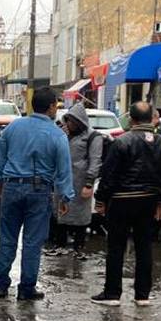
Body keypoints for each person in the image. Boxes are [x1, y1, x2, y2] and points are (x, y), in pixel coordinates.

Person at [0, 86, 75, 301]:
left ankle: (1, 285)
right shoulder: (57, 135)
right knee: (32, 242)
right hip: (39, 191)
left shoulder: (13, 128)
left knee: (7, 236)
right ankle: (26, 288)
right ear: (50, 107)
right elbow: (64, 169)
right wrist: (65, 197)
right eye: (56, 105)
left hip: (11, 187)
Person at [92, 101, 161, 307]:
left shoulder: (122, 142)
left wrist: (101, 200)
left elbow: (109, 175)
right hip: (149, 201)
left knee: (116, 247)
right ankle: (142, 294)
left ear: (132, 119)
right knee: (144, 246)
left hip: (122, 200)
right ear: (152, 118)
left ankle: (112, 294)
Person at [50, 103, 105, 259]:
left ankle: (78, 247)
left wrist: (89, 183)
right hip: (62, 180)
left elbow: (95, 160)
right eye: (68, 121)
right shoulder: (63, 134)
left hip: (80, 181)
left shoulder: (93, 137)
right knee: (60, 212)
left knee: (80, 215)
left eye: (73, 122)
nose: (70, 125)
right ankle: (60, 245)